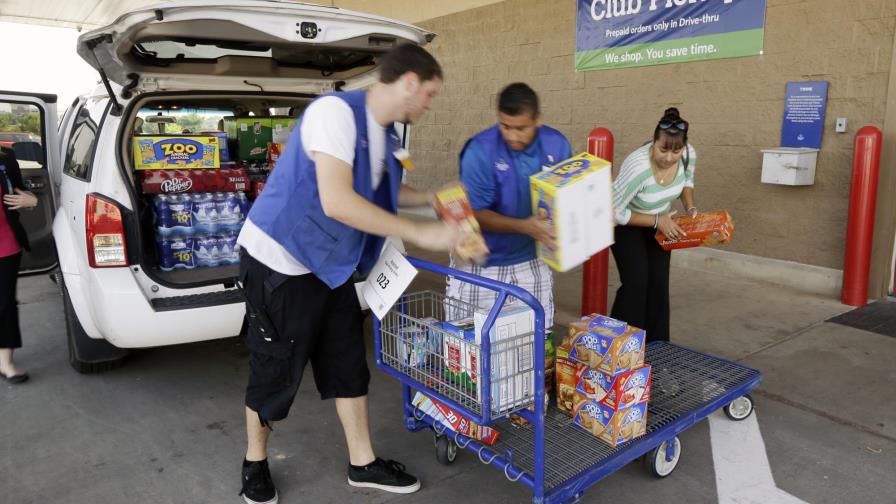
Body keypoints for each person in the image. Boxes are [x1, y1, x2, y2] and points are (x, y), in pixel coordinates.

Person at [235, 43, 459, 504]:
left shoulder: (387, 133)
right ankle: (254, 462)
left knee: (346, 362)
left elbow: (382, 194)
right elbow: (337, 200)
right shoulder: (334, 113)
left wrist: (432, 200)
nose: (430, 105)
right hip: (282, 259)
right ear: (410, 83)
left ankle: (363, 463)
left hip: (331, 268)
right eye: (430, 94)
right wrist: (424, 233)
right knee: (276, 369)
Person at [446, 83, 571, 328]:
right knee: (475, 346)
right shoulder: (480, 151)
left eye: (521, 128)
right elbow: (476, 213)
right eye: (505, 127)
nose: (513, 136)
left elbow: (567, 195)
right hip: (482, 264)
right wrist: (525, 226)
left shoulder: (557, 145)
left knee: (534, 343)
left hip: (532, 260)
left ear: (538, 120)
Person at [610, 107, 697, 343]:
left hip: (661, 223)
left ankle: (658, 348)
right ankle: (620, 348)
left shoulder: (688, 154)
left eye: (676, 151)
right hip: (627, 224)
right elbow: (613, 211)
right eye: (663, 150)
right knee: (636, 284)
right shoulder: (638, 167)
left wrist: (690, 210)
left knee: (659, 284)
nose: (669, 158)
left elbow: (687, 181)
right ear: (653, 143)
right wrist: (658, 220)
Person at [0, 147, 38, 384]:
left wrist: (30, 200)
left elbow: (22, 193)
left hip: (5, 243)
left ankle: (5, 362)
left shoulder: (5, 157)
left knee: (4, 304)